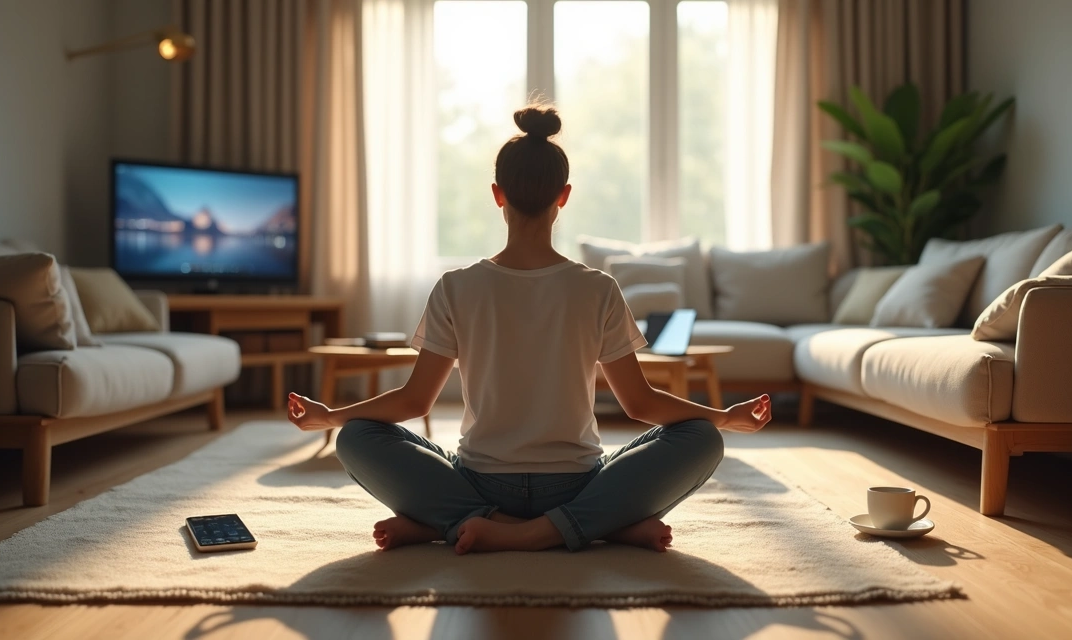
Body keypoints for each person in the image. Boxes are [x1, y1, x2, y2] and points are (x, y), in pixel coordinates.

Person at [287, 104, 771, 555]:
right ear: (564, 197)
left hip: (479, 480)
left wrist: (332, 416)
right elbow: (641, 405)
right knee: (703, 440)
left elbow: (415, 403)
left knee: (355, 438)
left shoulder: (456, 286)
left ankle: (459, 522)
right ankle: (584, 525)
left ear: (497, 195)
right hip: (577, 482)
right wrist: (724, 416)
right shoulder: (597, 288)